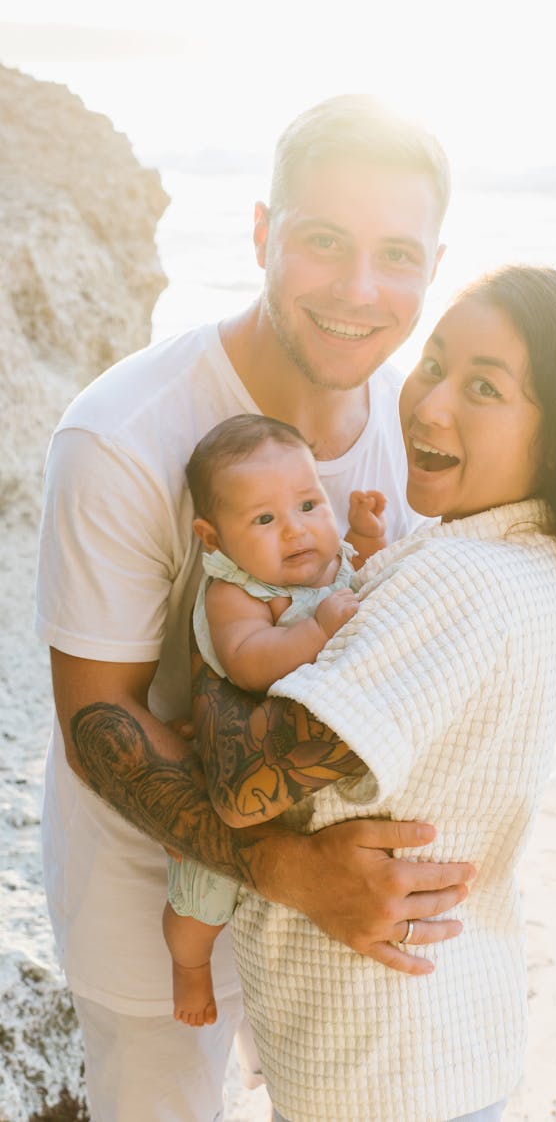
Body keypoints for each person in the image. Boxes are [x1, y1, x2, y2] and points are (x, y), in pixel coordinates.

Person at [35, 94, 477, 1121]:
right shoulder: (121, 437)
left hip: (336, 919)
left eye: (397, 254)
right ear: (262, 233)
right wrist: (295, 867)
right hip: (147, 914)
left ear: (436, 264)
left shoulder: (422, 441)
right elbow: (97, 723)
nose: (361, 289)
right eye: (323, 241)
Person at [189, 265, 556, 1121]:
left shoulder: (463, 577)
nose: (428, 403)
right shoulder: (518, 560)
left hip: (382, 1068)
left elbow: (241, 789)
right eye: (435, 362)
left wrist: (217, 654)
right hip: (432, 1044)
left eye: (484, 387)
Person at [164, 413, 387, 1027]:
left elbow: (361, 577)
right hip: (230, 786)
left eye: (310, 504)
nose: (296, 530)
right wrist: (317, 630)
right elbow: (247, 663)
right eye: (264, 519)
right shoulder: (236, 592)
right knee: (202, 895)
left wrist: (366, 539)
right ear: (212, 538)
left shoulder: (326, 559)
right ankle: (189, 968)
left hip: (294, 781)